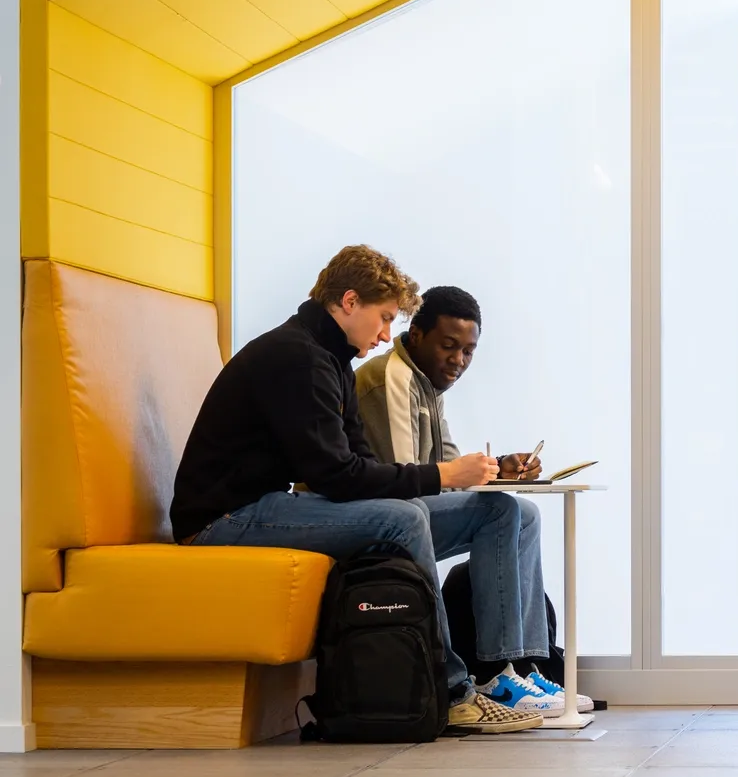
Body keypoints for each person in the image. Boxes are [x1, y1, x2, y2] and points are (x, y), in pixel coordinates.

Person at [170, 247, 548, 734]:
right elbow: (338, 477)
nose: (387, 334)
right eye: (385, 318)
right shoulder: (296, 357)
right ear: (349, 302)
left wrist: (448, 479)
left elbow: (360, 466)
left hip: (268, 506)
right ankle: (452, 689)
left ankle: (502, 674)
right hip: (223, 520)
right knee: (404, 517)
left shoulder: (330, 359)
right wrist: (441, 476)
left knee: (495, 512)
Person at [353, 284, 588, 715]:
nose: (458, 361)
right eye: (448, 346)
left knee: (527, 514)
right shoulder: (392, 379)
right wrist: (478, 482)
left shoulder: (427, 384)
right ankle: (494, 674)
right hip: (382, 515)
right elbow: (409, 479)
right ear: (417, 333)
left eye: (468, 352)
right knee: (500, 510)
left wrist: (497, 469)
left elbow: (445, 470)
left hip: (408, 507)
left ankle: (527, 666)